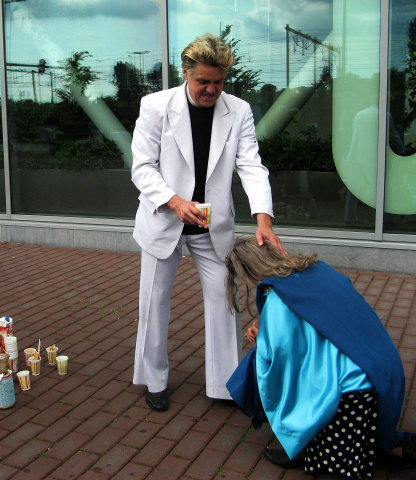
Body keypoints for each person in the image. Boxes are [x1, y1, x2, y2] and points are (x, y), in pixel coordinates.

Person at [131, 33, 284, 412]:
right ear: (185, 73)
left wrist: (263, 219)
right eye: (203, 81)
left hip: (212, 227)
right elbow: (142, 168)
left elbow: (251, 165)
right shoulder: (155, 106)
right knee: (154, 303)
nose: (211, 89)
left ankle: (226, 384)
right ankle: (154, 379)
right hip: (165, 218)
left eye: (218, 82)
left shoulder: (240, 111)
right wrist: (175, 202)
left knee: (225, 300)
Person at [225, 237, 415, 477]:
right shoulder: (317, 268)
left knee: (256, 365)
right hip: (382, 372)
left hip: (355, 389)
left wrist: (263, 338)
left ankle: (303, 439)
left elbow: (277, 354)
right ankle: (375, 445)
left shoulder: (278, 298)